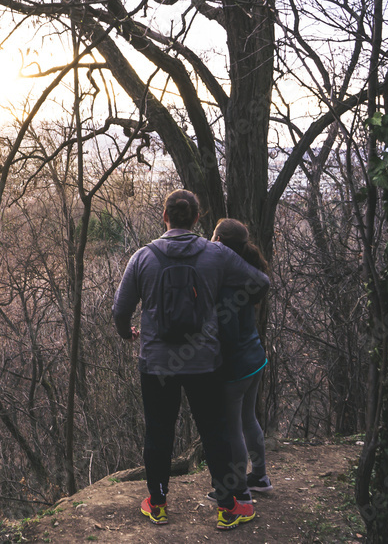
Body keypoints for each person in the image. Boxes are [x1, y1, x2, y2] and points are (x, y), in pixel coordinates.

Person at [112, 190, 270, 530]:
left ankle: (157, 505)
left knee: (158, 434)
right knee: (215, 433)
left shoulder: (143, 257)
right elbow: (260, 282)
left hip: (156, 364)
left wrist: (128, 334)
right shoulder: (216, 255)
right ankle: (228, 508)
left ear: (165, 217)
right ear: (197, 219)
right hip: (204, 362)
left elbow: (120, 310)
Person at [210, 218, 273, 498]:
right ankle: (259, 477)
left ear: (220, 243)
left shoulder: (226, 284)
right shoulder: (246, 274)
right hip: (255, 358)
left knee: (234, 426)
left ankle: (237, 490)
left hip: (236, 367)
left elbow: (229, 335)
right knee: (249, 419)